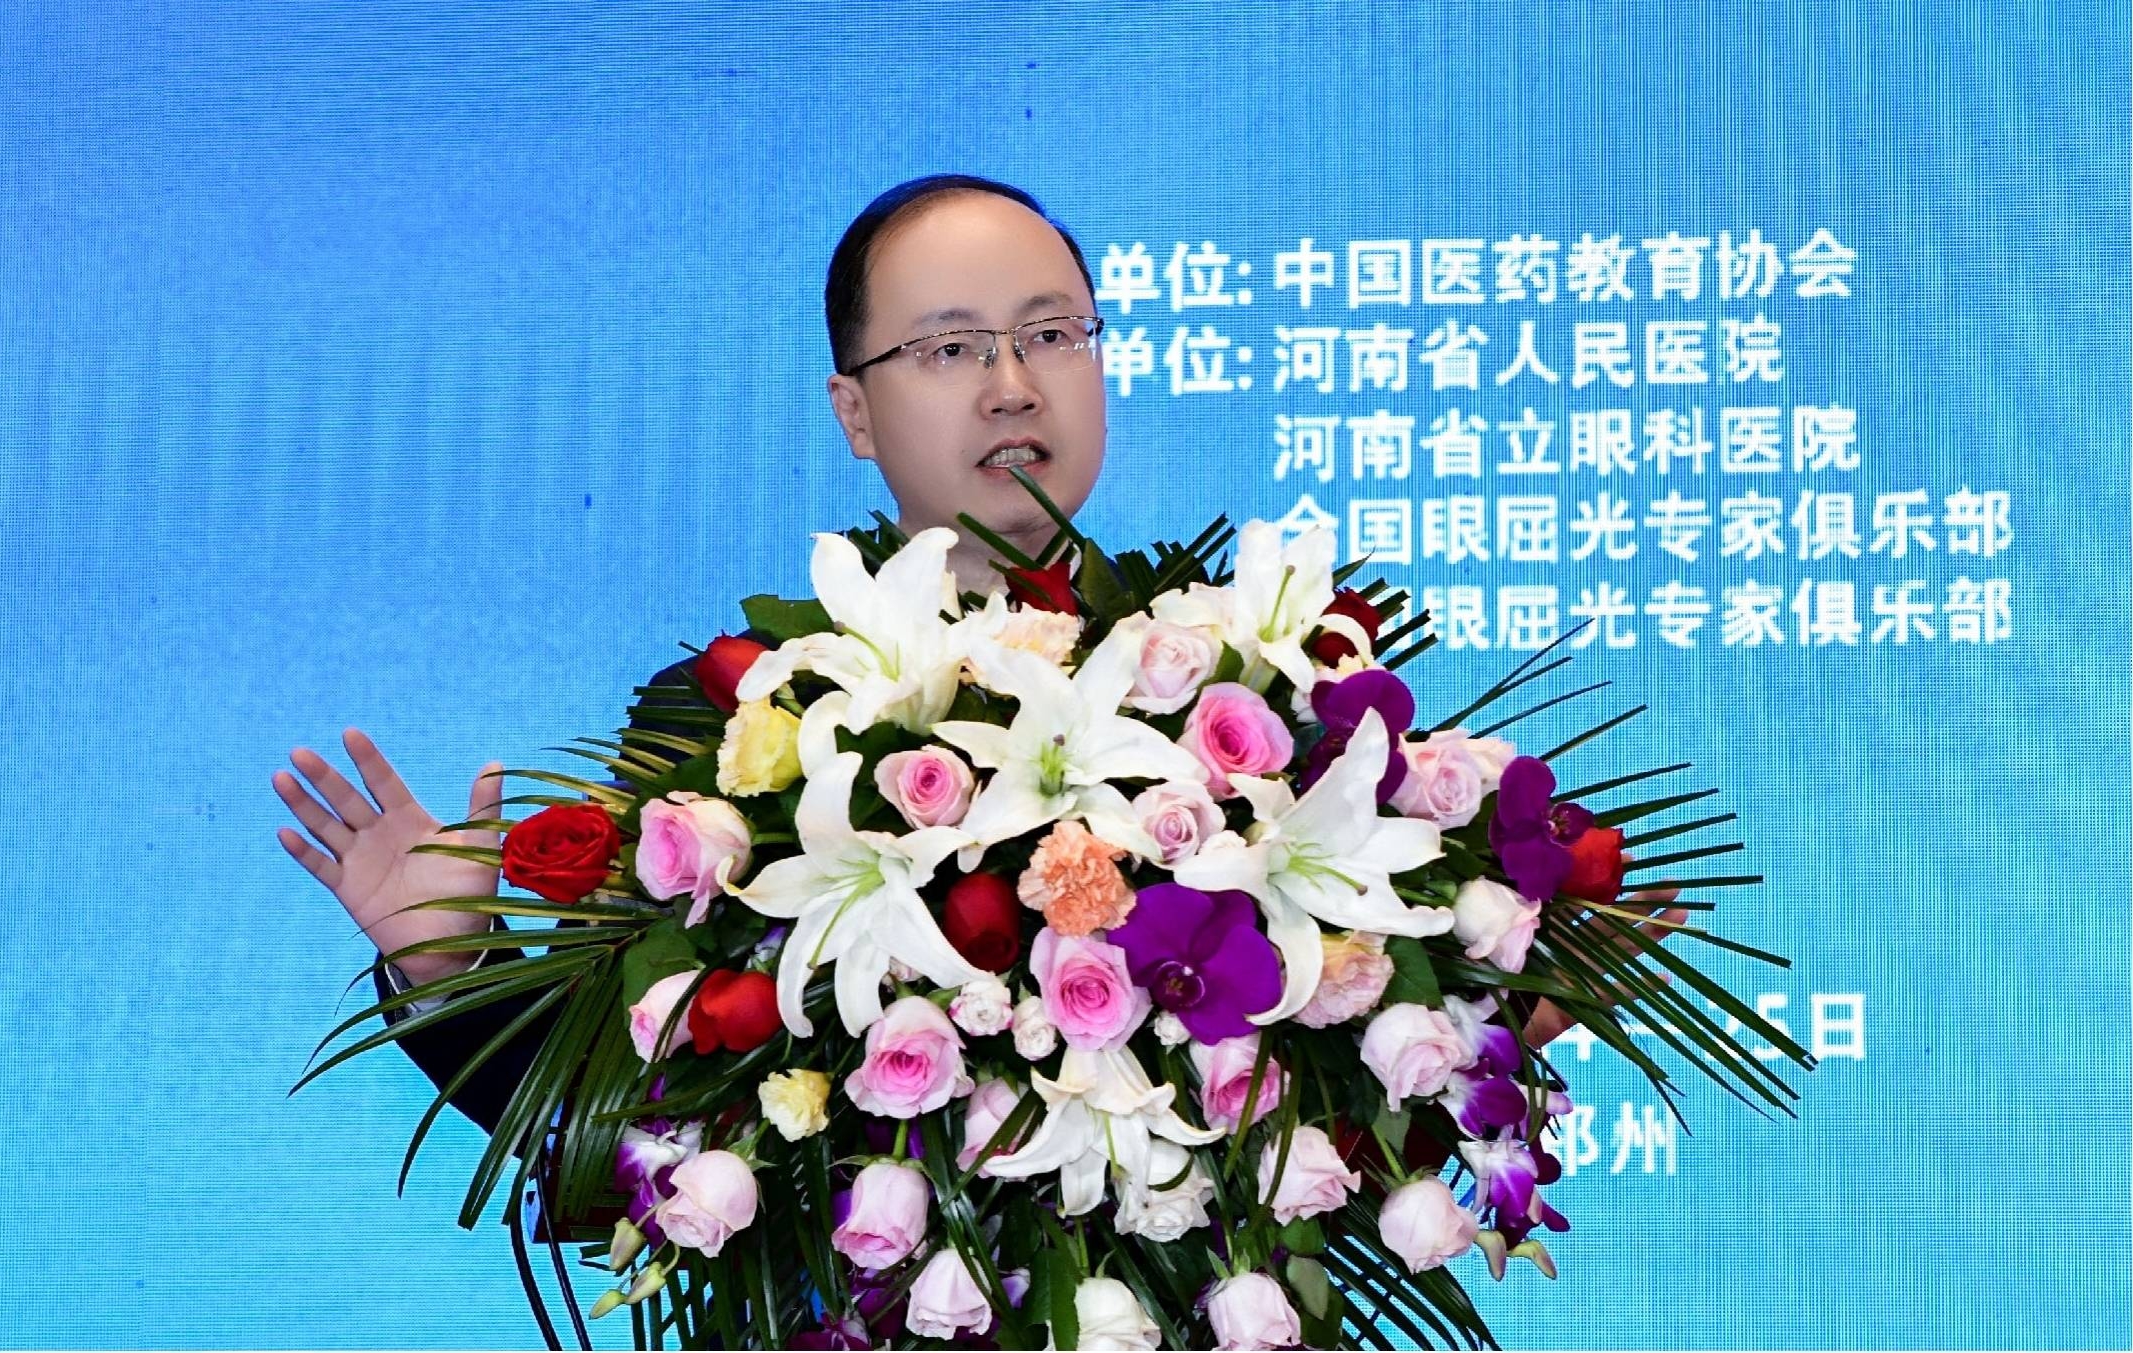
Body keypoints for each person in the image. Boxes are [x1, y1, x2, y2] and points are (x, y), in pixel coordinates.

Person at [272, 174, 1679, 1137]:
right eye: (950, 350)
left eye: (1053, 335)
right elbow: (617, 1156)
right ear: (856, 412)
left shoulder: (1261, 689)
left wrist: (1484, 1017)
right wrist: (447, 973)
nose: (1013, 384)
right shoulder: (736, 729)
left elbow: (1317, 1149)